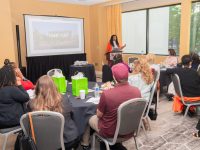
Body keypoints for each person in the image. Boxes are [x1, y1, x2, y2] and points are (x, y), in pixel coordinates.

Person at [81, 63, 141, 150]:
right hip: (131, 130)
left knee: (88, 116)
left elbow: (99, 115)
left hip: (111, 133)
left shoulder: (107, 94)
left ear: (114, 77)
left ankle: (85, 143)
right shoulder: (137, 91)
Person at [28, 75, 79, 150]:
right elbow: (72, 114)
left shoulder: (31, 103)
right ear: (54, 86)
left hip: (41, 142)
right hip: (67, 140)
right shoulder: (64, 99)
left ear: (37, 88)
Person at [0, 65, 30, 129]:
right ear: (11, 77)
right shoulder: (12, 89)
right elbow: (26, 97)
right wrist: (19, 85)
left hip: (1, 123)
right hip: (14, 122)